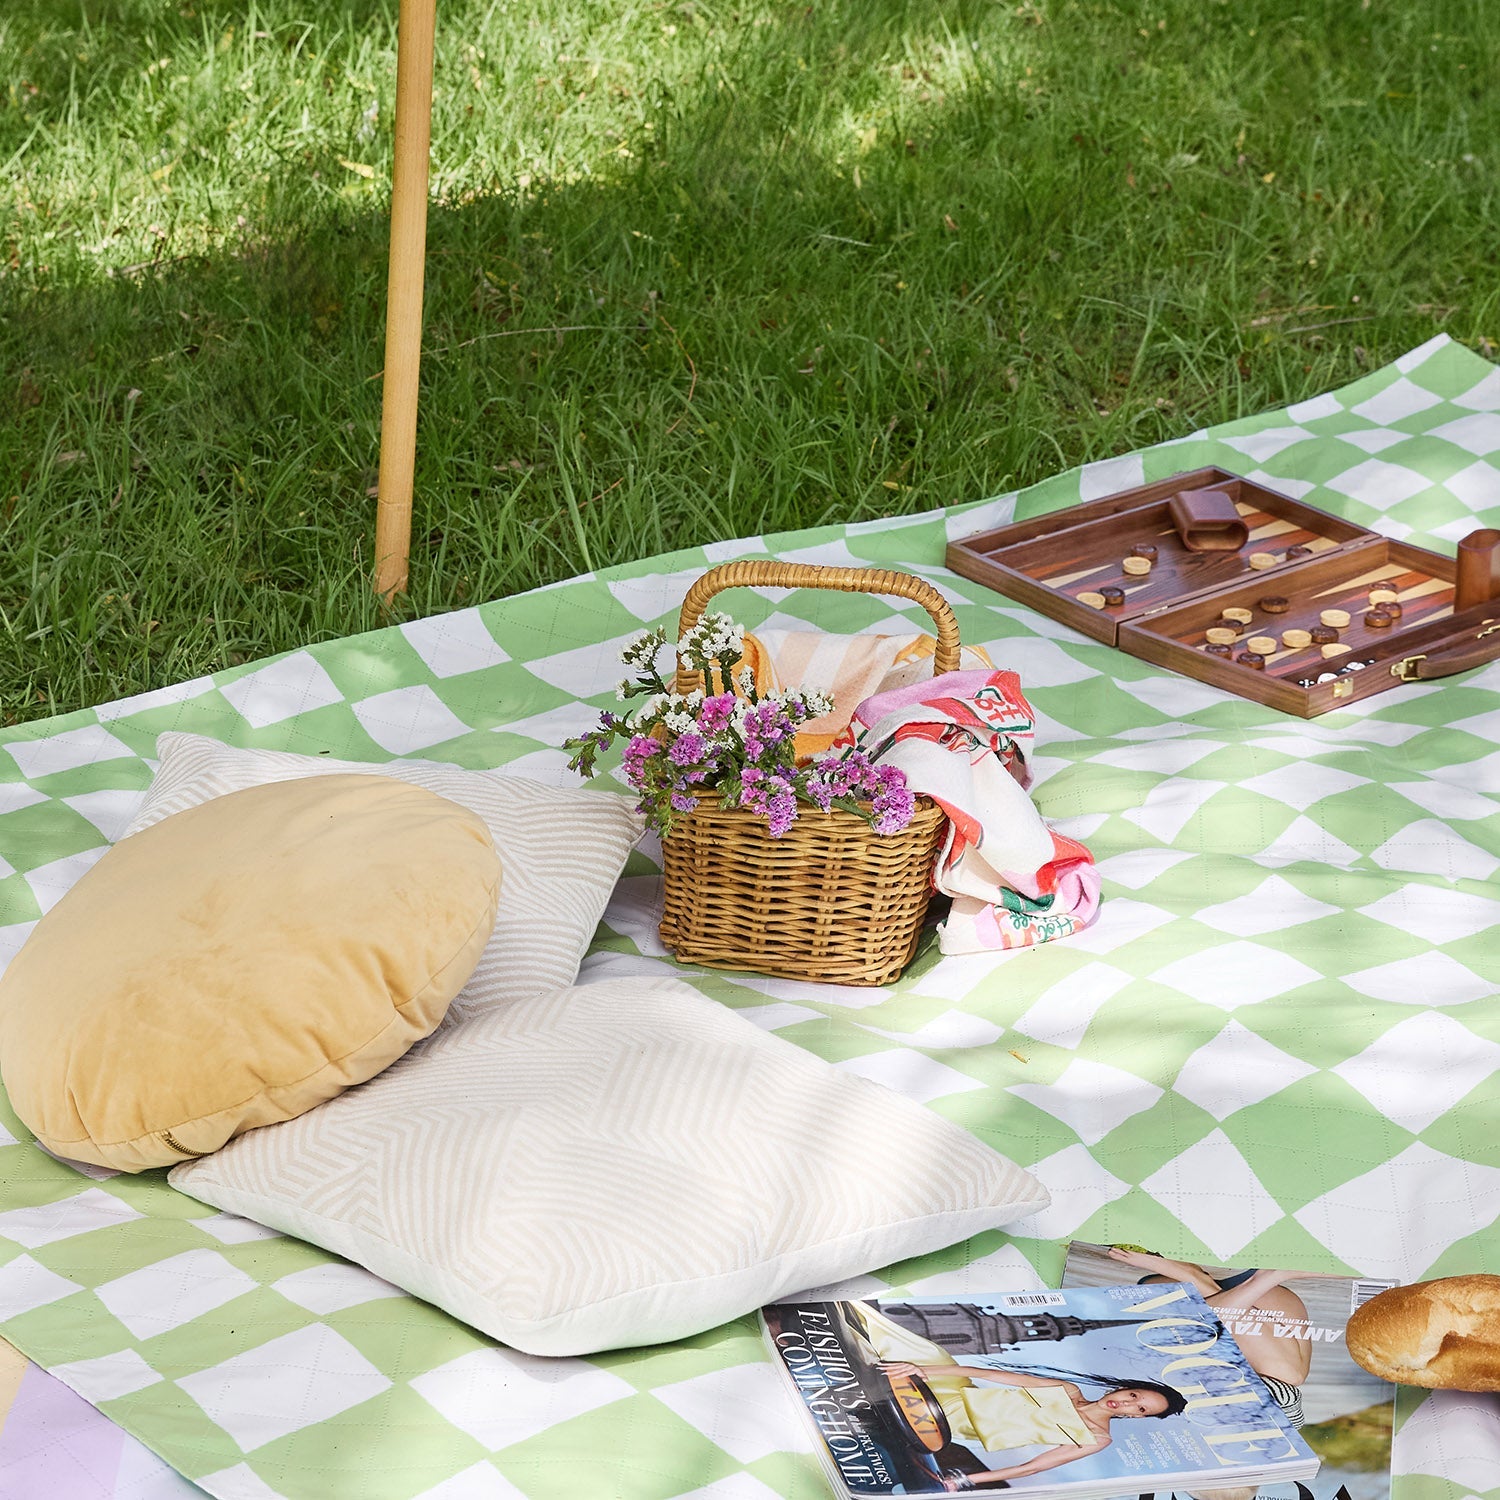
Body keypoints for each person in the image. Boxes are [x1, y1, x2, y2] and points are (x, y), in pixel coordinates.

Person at [875, 1358, 1185, 1491]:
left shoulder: (1098, 1437)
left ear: (1137, 1417)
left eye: (1139, 1408)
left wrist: (963, 1481)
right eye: (1133, 1395)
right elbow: (989, 1375)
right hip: (942, 1398)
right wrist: (921, 1369)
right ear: (1123, 1388)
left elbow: (1031, 1468)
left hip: (943, 1431)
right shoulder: (1067, 1390)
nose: (1128, 1403)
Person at [1106, 1249, 1311, 1426]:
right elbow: (1287, 1396)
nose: (1127, 1404)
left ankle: (1197, 1279)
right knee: (1289, 1376)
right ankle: (1201, 1280)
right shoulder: (1240, 1428)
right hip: (1262, 1304)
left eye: (1134, 1397)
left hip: (1182, 1295)